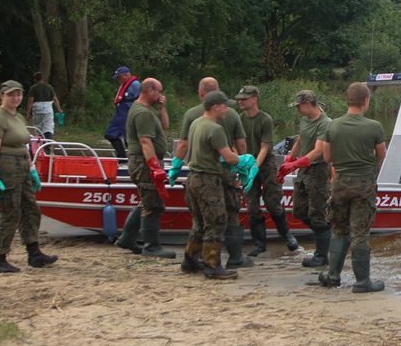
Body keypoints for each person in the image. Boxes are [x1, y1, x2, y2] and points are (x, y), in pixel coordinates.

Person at [173, 76, 253, 270]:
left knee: (199, 222)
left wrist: (176, 165)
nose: (227, 109)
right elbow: (230, 156)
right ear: (215, 107)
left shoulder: (195, 121)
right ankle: (214, 265)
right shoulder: (215, 128)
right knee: (217, 221)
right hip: (209, 178)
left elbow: (183, 144)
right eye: (225, 106)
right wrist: (246, 161)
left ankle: (190, 261)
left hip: (193, 177)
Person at [318, 81, 388, 292]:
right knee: (359, 232)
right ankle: (362, 281)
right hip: (363, 184)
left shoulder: (332, 126)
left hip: (339, 183)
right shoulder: (374, 127)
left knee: (339, 229)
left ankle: (333, 276)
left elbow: (327, 157)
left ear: (347, 100)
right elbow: (381, 156)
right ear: (366, 101)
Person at [0, 80, 57, 273]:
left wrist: (31, 169)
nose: (15, 98)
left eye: (18, 94)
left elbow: (23, 145)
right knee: (10, 212)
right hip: (6, 166)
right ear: (2, 95)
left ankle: (34, 253)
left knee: (31, 209)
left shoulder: (18, 116)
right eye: (11, 94)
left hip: (22, 165)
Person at [112, 78, 176, 259]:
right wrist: (154, 167)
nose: (161, 95)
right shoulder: (142, 113)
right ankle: (151, 246)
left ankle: (127, 238)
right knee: (153, 205)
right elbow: (145, 141)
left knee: (147, 201)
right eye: (159, 91)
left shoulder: (147, 110)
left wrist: (162, 108)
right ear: (150, 91)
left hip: (143, 161)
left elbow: (165, 126)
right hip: (144, 162)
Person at [235, 86, 301, 257]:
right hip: (247, 163)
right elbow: (236, 143)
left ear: (254, 99)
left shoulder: (265, 119)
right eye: (239, 99)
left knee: (273, 202)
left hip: (265, 163)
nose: (241, 101)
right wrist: (243, 164)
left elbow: (265, 147)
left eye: (244, 99)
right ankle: (259, 244)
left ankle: (287, 236)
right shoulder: (239, 119)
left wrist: (255, 166)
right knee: (252, 205)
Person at [279, 89, 334, 268]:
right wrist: (290, 158)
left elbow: (318, 151)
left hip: (318, 171)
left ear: (308, 104)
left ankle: (322, 255)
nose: (297, 110)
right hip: (303, 170)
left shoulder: (325, 123)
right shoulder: (304, 120)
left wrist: (295, 165)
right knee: (299, 211)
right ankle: (326, 234)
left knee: (317, 213)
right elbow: (300, 140)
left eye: (299, 106)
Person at [104, 66, 140, 159]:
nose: (119, 80)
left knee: (129, 138)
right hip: (119, 113)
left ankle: (134, 158)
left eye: (120, 77)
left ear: (127, 75)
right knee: (110, 134)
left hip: (128, 112)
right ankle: (121, 157)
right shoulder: (124, 85)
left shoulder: (135, 84)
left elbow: (138, 99)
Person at [28, 73, 61, 139]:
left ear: (35, 79)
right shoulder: (49, 87)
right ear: (43, 78)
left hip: (37, 109)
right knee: (48, 126)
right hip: (48, 109)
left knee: (38, 127)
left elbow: (31, 101)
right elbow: (54, 99)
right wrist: (59, 109)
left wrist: (28, 112)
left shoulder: (33, 88)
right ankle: (48, 141)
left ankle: (39, 142)